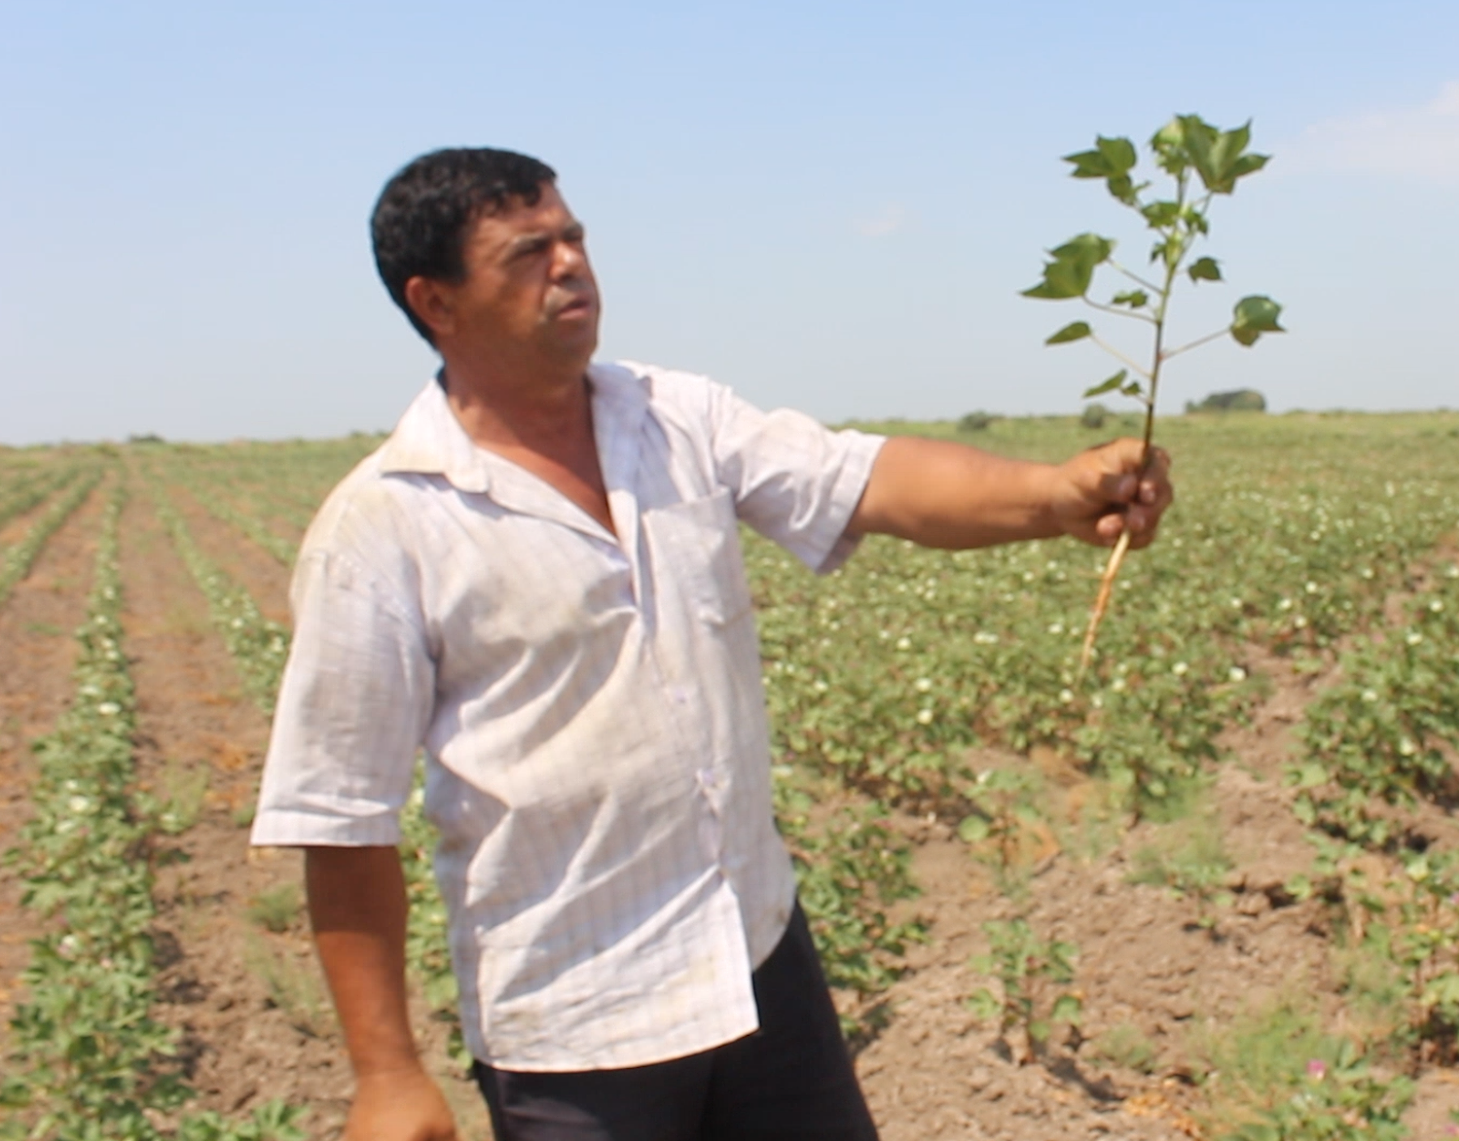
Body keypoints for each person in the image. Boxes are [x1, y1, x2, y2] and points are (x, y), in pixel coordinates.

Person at [249, 147, 1173, 1141]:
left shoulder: (675, 417)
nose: (570, 263)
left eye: (573, 237)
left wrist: (1051, 495)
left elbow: (865, 479)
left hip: (757, 960)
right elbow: (342, 816)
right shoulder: (385, 526)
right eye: (527, 252)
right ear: (436, 302)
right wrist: (386, 1071)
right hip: (578, 1029)